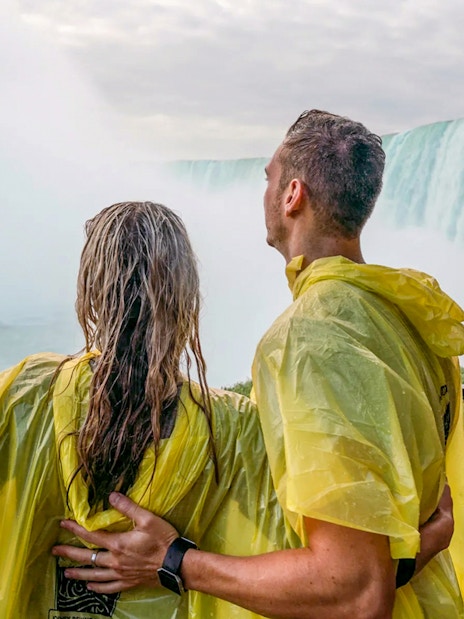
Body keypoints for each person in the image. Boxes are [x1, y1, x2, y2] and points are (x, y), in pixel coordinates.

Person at [54, 111, 464, 618]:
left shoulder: (309, 340)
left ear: (292, 195)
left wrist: (173, 560)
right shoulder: (413, 324)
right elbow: (398, 531)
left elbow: (356, 591)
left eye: (268, 177)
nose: (263, 189)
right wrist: (430, 540)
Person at [0, 201, 304, 619]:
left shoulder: (23, 396)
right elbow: (327, 571)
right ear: (185, 299)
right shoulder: (234, 430)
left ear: (91, 295)